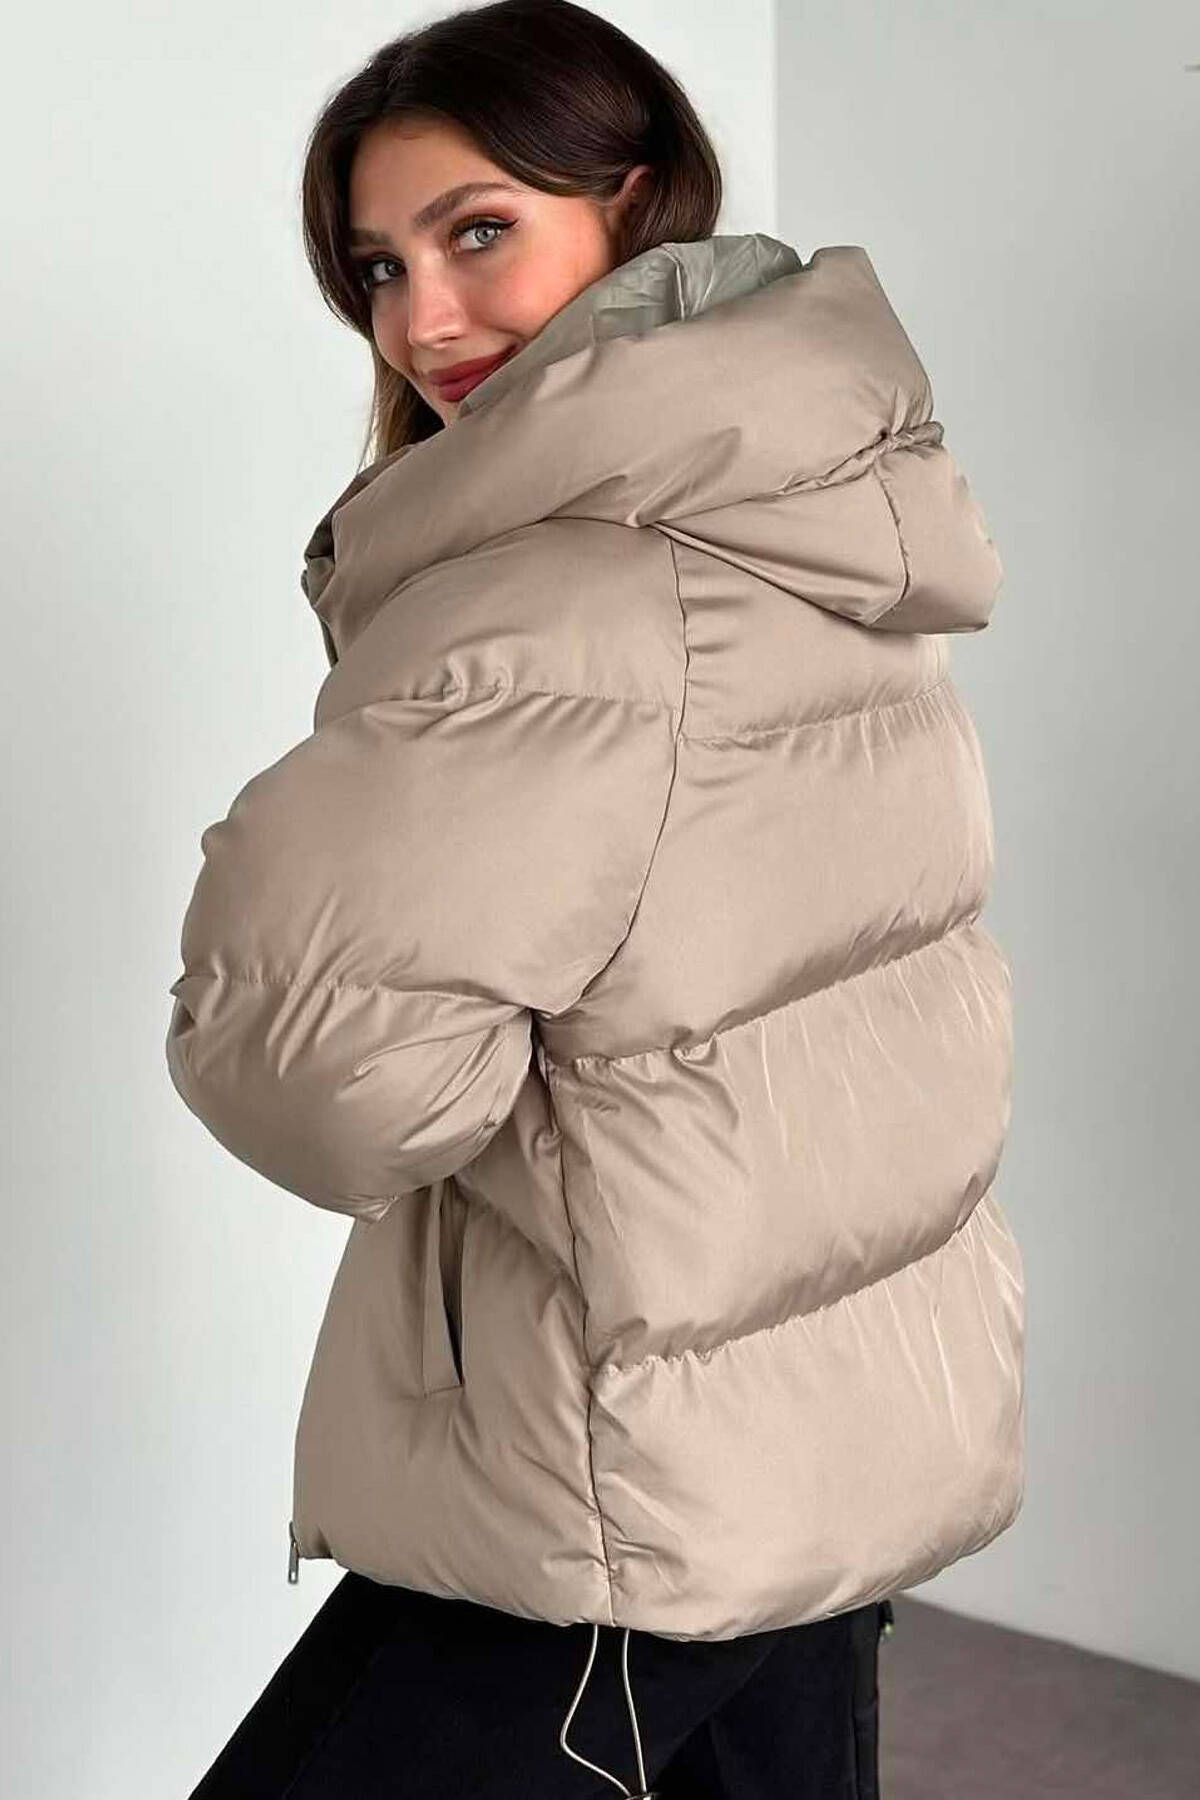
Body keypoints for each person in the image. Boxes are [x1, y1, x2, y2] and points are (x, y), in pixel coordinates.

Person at [165, 1, 1025, 1794]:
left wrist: (277, 856)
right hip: (837, 1424)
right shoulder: (820, 526)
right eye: (379, 267)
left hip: (612, 1475)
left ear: (637, 206)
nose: (424, 319)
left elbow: (333, 1091)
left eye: (479, 231)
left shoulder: (562, 599)